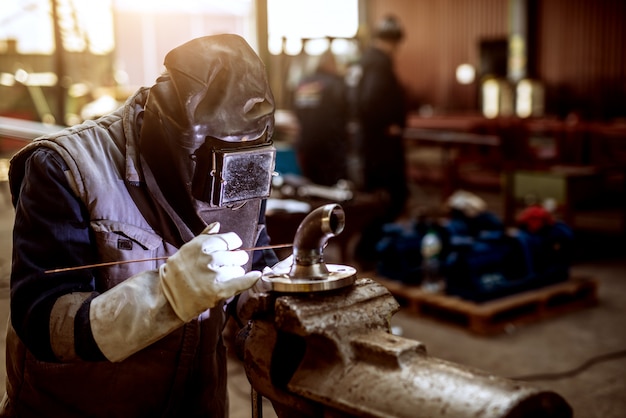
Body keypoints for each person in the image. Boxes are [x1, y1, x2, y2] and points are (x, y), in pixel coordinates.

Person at [0, 34, 280, 418]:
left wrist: (268, 293)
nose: (227, 186)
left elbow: (254, 254)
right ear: (168, 132)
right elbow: (40, 319)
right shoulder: (66, 167)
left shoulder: (243, 159)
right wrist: (164, 297)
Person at [347, 15, 409, 265]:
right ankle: (370, 250)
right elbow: (370, 101)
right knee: (393, 197)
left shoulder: (362, 63)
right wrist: (388, 126)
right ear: (394, 42)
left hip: (366, 145)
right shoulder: (380, 64)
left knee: (374, 198)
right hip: (382, 147)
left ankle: (370, 249)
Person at [292, 50, 349, 186]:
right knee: (331, 188)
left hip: (307, 142)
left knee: (311, 186)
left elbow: (296, 111)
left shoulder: (303, 83)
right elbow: (346, 111)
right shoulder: (336, 83)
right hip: (330, 145)